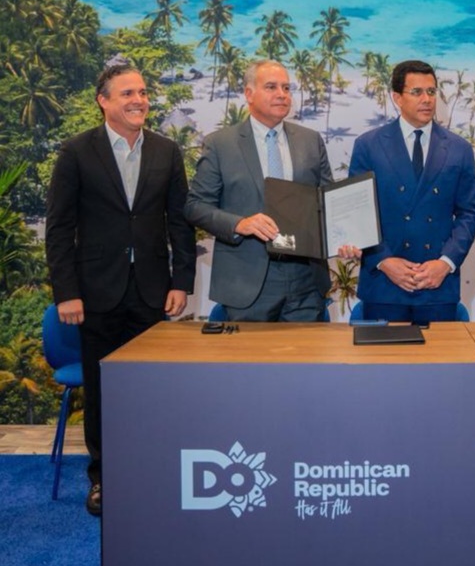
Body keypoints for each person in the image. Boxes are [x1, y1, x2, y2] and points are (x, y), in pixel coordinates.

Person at [45, 60, 196, 516]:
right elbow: (59, 227)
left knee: (149, 389)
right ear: (103, 101)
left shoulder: (167, 151)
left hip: (152, 292)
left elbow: (180, 223)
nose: (139, 100)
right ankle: (104, 479)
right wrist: (66, 291)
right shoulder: (76, 151)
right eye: (127, 93)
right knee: (102, 391)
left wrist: (182, 282)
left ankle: (149, 472)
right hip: (96, 293)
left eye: (143, 92)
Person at [185, 59, 333, 322]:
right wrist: (239, 224)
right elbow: (196, 206)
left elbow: (328, 200)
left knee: (306, 350)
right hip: (247, 280)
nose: (282, 94)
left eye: (286, 88)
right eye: (271, 87)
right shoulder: (220, 144)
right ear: (249, 94)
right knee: (250, 351)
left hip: (306, 279)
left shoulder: (311, 141)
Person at [337, 60, 475, 323]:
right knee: (385, 352)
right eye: (417, 92)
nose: (427, 99)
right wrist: (384, 261)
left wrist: (445, 263)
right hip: (384, 285)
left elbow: (469, 214)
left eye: (431, 91)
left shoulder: (459, 148)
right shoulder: (368, 145)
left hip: (437, 285)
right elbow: (358, 214)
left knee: (441, 352)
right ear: (397, 98)